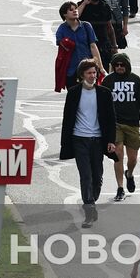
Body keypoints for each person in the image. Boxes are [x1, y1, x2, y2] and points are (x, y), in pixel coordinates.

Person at [58, 60, 115, 228]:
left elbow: (111, 119)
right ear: (82, 74)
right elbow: (67, 118)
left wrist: (111, 140)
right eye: (89, 73)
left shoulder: (104, 93)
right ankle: (89, 209)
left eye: (94, 73)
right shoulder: (74, 93)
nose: (92, 75)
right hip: (79, 139)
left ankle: (92, 199)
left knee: (97, 176)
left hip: (97, 140)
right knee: (86, 175)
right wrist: (65, 142)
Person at [53, 1, 101, 92]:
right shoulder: (61, 29)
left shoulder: (86, 26)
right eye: (71, 10)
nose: (75, 11)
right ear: (64, 14)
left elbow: (93, 46)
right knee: (74, 98)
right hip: (71, 70)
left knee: (89, 95)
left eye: (75, 9)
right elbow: (61, 48)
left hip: (88, 68)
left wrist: (100, 66)